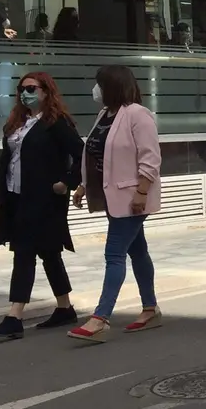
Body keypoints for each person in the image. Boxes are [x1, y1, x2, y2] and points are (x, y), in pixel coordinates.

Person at [0, 73, 83, 339]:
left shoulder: (56, 123)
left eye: (30, 88)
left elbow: (82, 153)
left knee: (24, 252)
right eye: (21, 89)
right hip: (17, 197)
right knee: (49, 252)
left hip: (45, 199)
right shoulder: (18, 123)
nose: (24, 93)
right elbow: (6, 163)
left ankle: (14, 316)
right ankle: (64, 308)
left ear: (46, 91)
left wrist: (68, 182)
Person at [68, 66, 163, 341]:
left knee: (114, 254)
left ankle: (100, 318)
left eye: (99, 84)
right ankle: (150, 308)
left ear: (111, 86)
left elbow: (150, 157)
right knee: (138, 251)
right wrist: (84, 185)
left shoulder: (137, 114)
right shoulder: (104, 115)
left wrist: (142, 192)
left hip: (132, 198)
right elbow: (96, 153)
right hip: (112, 197)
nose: (95, 90)